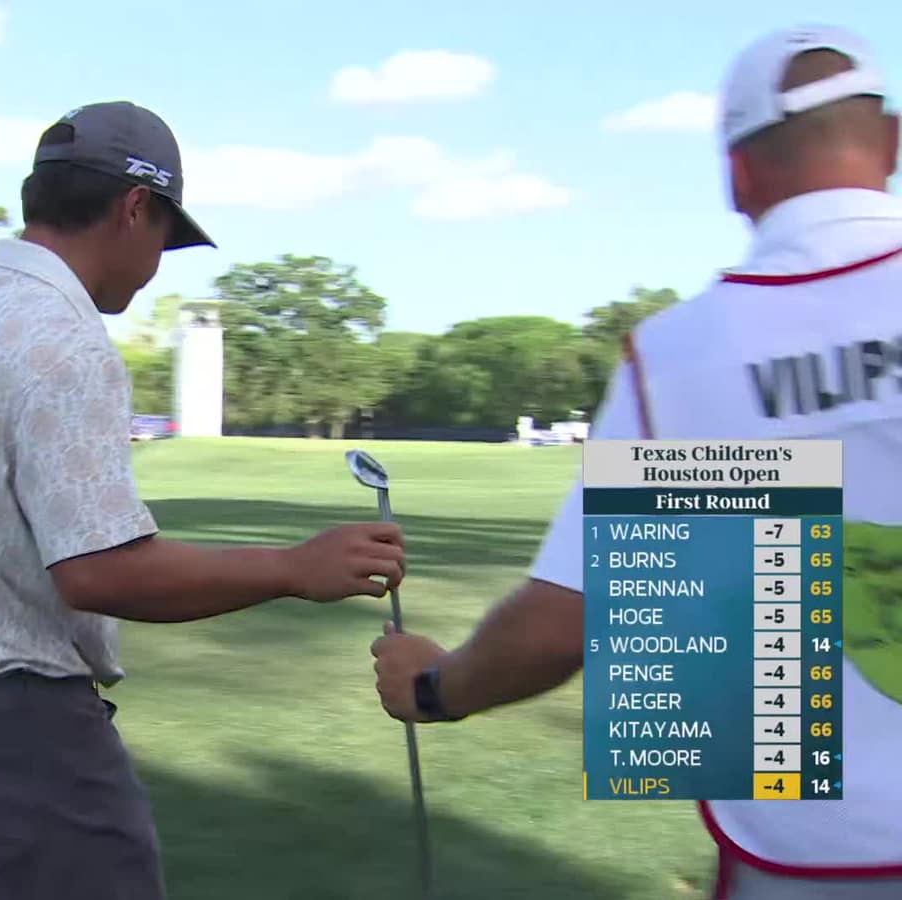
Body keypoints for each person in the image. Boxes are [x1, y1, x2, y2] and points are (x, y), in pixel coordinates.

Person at [370, 24, 902, 899]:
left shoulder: (688, 359)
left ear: (738, 176)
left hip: (806, 849)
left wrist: (435, 688)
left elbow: (569, 625)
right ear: (891, 143)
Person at [0, 100, 408, 900]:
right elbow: (101, 572)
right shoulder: (62, 339)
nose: (158, 264)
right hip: (9, 742)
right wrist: (292, 568)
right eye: (166, 239)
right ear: (135, 208)